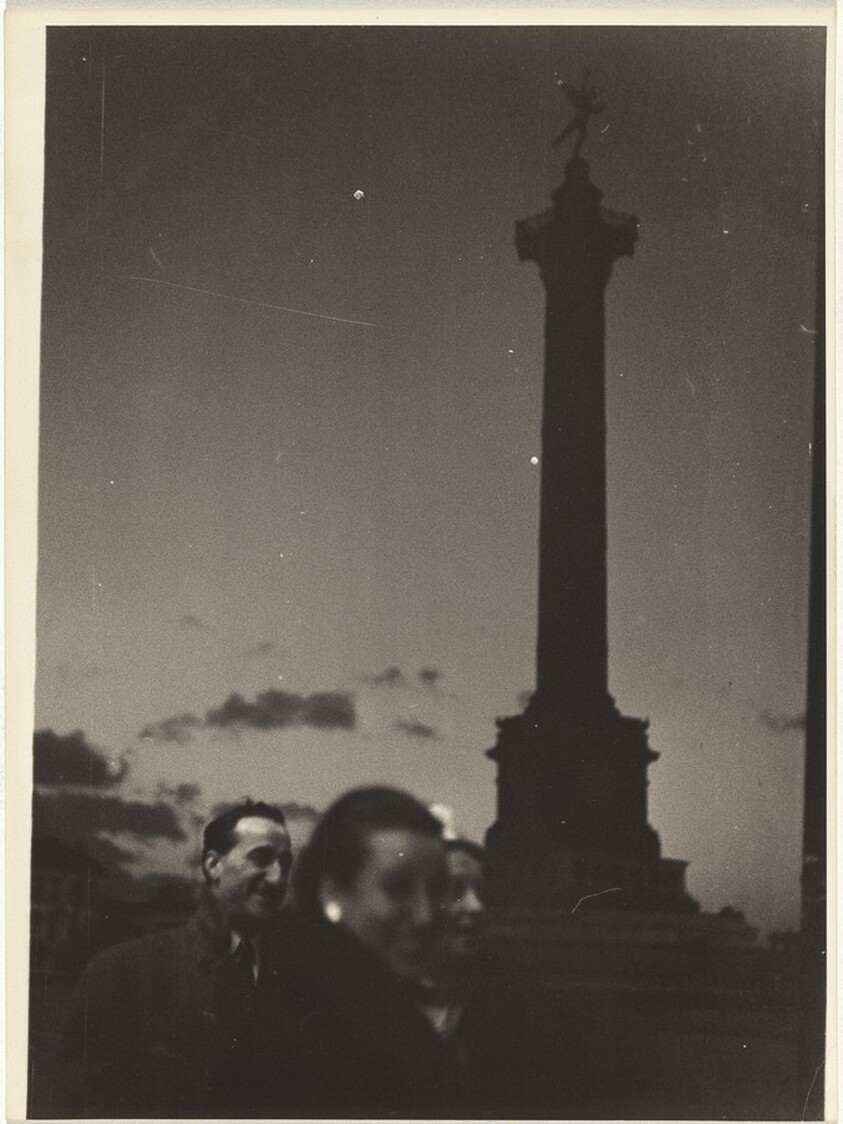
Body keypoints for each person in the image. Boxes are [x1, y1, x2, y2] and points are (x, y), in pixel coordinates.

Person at [53, 799, 301, 1118]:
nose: (278, 878)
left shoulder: (301, 982)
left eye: (286, 863)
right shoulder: (122, 973)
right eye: (262, 858)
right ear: (213, 865)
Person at [286, 785, 456, 1117]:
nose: (426, 914)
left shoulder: (369, 1011)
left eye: (437, 889)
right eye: (397, 888)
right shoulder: (309, 1038)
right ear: (332, 893)